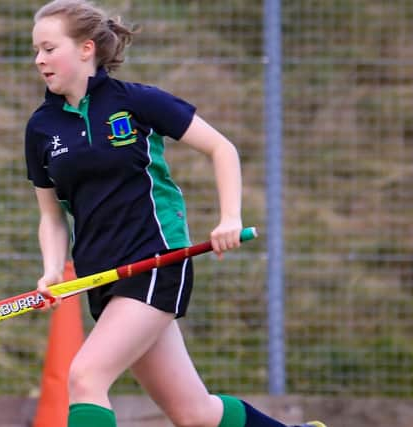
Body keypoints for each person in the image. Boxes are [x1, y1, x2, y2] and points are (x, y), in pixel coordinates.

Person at [25, 1, 326, 427]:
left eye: (49, 48)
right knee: (195, 414)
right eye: (36, 50)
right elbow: (51, 214)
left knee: (85, 377)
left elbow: (222, 149)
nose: (39, 59)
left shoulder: (134, 101)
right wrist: (53, 270)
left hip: (155, 260)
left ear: (86, 48)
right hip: (102, 277)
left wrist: (229, 218)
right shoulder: (42, 128)